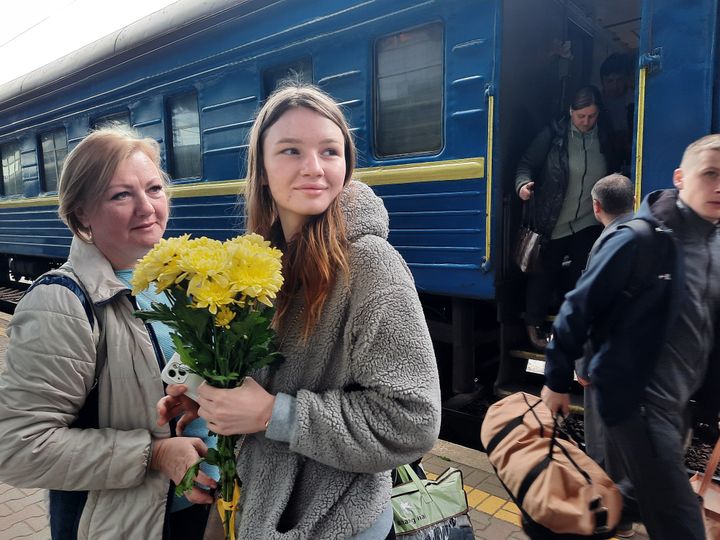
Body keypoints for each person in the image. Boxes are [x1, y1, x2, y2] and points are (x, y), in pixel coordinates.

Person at [158, 84, 442, 539]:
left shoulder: (371, 265)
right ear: (263, 170)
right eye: (291, 150)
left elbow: (414, 421)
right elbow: (273, 372)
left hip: (333, 524)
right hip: (258, 506)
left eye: (330, 151)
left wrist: (275, 414)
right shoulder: (265, 260)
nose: (314, 168)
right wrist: (206, 390)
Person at [0, 128, 218, 539]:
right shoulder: (61, 302)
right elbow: (19, 448)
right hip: (121, 524)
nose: (147, 208)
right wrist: (153, 455)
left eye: (154, 188)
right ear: (82, 212)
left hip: (197, 510)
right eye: (121, 195)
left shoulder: (179, 283)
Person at [541, 134, 720, 540]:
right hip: (636, 402)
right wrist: (555, 380)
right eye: (710, 174)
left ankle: (564, 523)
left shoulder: (715, 245)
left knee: (632, 497)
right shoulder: (639, 240)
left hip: (677, 406)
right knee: (682, 525)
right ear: (680, 177)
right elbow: (577, 308)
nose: (719, 186)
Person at [516, 85, 618, 349]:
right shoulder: (554, 135)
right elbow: (526, 164)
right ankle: (535, 325)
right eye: (581, 116)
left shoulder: (605, 137)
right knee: (543, 273)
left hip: (587, 219)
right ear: (571, 112)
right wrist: (523, 185)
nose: (586, 122)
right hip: (553, 218)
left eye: (592, 116)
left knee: (581, 274)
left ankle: (573, 327)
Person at [573, 173, 635, 538]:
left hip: (605, 364)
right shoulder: (646, 235)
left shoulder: (606, 244)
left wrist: (582, 364)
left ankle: (612, 517)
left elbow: (589, 312)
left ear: (596, 207)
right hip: (635, 363)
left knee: (601, 441)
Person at [600, 53, 634, 172]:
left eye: (619, 80)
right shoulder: (596, 103)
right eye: (610, 81)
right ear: (602, 82)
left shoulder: (634, 101)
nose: (615, 86)